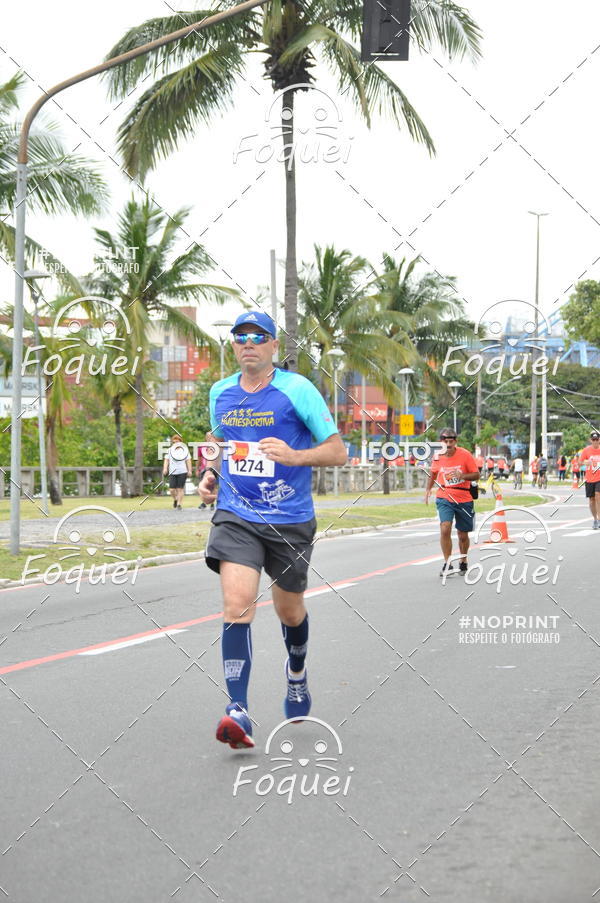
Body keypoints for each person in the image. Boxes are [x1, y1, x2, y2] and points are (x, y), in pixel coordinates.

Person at [198, 311, 347, 750]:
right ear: (234, 345)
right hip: (236, 514)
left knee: (289, 612)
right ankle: (237, 711)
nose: (248, 343)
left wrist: (294, 456)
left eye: (258, 336)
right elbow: (219, 441)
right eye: (240, 336)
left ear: (273, 346)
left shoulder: (296, 390)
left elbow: (337, 452)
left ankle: (296, 672)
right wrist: (210, 471)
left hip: (289, 518)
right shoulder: (220, 392)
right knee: (237, 604)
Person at [424, 427, 480, 579]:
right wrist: (428, 489)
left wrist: (463, 475)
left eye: (451, 441)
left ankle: (463, 559)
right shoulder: (437, 456)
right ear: (440, 442)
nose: (448, 444)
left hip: (463, 497)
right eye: (445, 441)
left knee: (463, 534)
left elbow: (476, 475)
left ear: (455, 442)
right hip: (444, 495)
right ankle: (447, 563)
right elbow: (434, 472)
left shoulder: (465, 455)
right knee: (445, 527)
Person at [163, 434, 192, 510]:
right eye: (174, 442)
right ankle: (175, 499)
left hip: (182, 471)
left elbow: (188, 460)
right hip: (172, 472)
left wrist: (190, 470)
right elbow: (166, 460)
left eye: (177, 442)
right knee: (171, 489)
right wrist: (165, 468)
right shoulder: (169, 450)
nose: (175, 443)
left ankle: (179, 504)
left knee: (180, 489)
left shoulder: (185, 450)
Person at [579, 431, 600, 528]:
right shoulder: (586, 450)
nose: (595, 441)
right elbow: (579, 463)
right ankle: (595, 520)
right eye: (593, 440)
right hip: (590, 479)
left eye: (597, 439)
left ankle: (599, 519)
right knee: (591, 500)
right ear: (590, 440)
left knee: (598, 495)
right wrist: (584, 462)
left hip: (599, 478)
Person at [197, 444, 215, 510]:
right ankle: (204, 502)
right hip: (203, 469)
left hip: (214, 469)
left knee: (212, 486)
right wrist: (197, 469)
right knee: (204, 486)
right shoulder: (201, 447)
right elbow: (199, 459)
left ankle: (212, 503)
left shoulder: (217, 445)